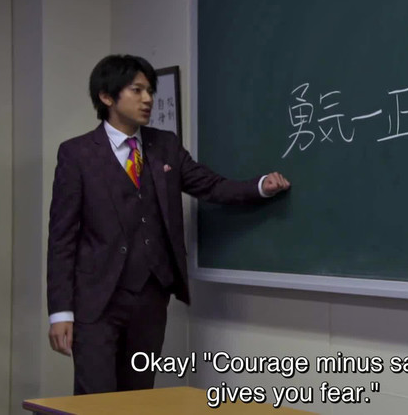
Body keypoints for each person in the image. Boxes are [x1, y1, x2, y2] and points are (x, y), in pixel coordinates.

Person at [46, 54, 290, 395]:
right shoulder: (77, 154)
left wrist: (260, 186)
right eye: (137, 90)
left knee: (140, 394)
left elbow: (210, 185)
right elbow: (62, 237)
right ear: (106, 96)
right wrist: (60, 313)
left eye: (150, 91)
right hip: (96, 300)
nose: (147, 99)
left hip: (150, 296)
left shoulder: (165, 145)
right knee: (95, 399)